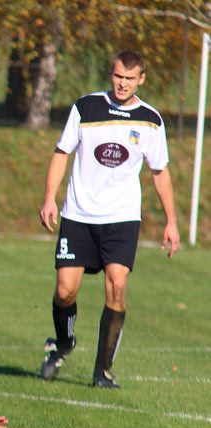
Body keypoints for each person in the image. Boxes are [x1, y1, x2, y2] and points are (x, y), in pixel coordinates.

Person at [38, 51, 180, 388]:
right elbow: (61, 153)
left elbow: (160, 172)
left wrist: (171, 221)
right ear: (111, 73)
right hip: (78, 214)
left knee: (117, 284)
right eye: (118, 76)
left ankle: (102, 370)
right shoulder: (86, 107)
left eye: (129, 79)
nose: (122, 83)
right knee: (65, 291)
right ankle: (64, 343)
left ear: (141, 80)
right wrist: (49, 199)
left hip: (122, 218)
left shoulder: (150, 120)